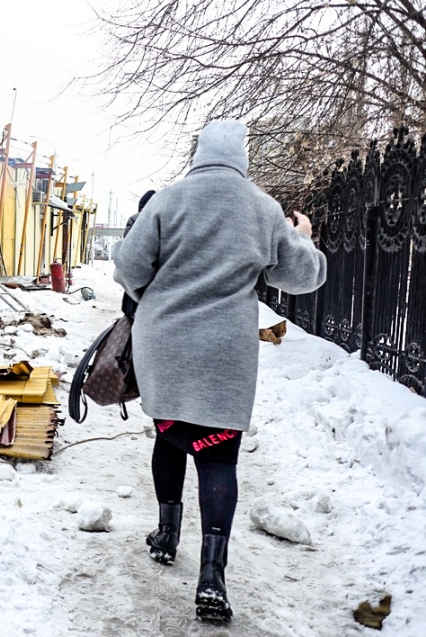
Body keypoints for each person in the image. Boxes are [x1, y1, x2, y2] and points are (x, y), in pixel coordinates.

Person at [112, 120, 327, 623]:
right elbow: (302, 277)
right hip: (225, 352)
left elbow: (128, 268)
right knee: (218, 459)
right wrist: (304, 238)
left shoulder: (168, 200)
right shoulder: (262, 208)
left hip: (164, 345)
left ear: (199, 152)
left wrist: (158, 301)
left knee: (169, 438)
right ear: (244, 157)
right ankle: (212, 575)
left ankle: (166, 534)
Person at [120, 189, 156, 317]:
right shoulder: (162, 218)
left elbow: (127, 247)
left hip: (135, 274)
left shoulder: (134, 219)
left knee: (131, 315)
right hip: (153, 277)